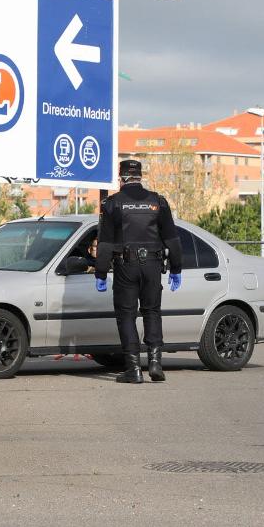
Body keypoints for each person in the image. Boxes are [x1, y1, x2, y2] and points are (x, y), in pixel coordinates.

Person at [94, 159, 183, 383]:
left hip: (126, 265)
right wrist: (176, 268)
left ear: (120, 178)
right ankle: (155, 363)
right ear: (140, 176)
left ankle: (133, 370)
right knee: (152, 311)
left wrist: (101, 272)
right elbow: (172, 238)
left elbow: (104, 243)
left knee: (127, 315)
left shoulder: (113, 204)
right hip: (153, 265)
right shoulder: (158, 201)